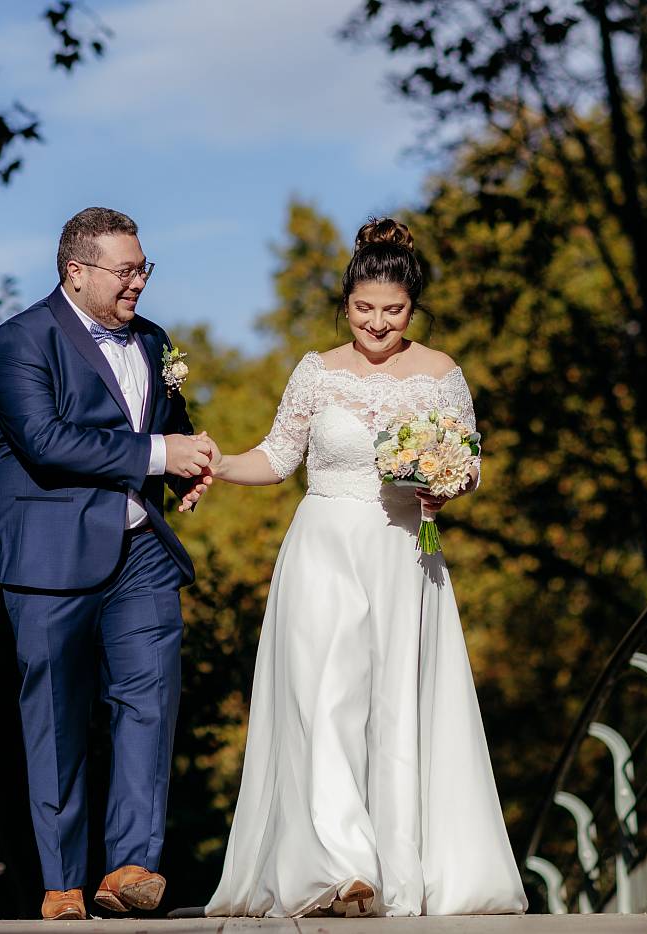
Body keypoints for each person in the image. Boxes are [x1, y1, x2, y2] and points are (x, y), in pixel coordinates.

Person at [186, 218, 528, 917]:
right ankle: (344, 868)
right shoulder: (316, 372)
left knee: (397, 707)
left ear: (413, 308)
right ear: (346, 304)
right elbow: (278, 458)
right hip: (322, 546)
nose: (378, 323)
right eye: (365, 309)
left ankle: (401, 862)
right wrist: (215, 465)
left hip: (405, 552)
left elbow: (470, 467)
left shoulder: (441, 375)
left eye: (393, 311)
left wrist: (447, 483)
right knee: (324, 698)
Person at [0, 207, 214, 921]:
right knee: (55, 714)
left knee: (150, 703)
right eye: (126, 270)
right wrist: (157, 455)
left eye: (144, 268)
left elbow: (164, 429)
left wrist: (184, 462)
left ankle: (132, 868)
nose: (139, 281)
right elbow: (45, 441)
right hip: (48, 556)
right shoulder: (19, 340)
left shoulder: (155, 341)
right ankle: (63, 883)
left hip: (141, 551)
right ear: (75, 272)